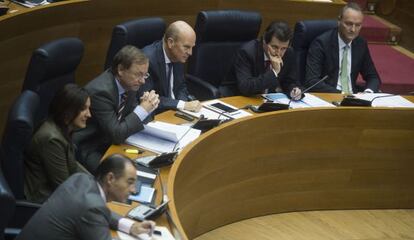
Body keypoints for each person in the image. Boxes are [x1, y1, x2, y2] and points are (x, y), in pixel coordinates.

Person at [16, 154, 156, 240]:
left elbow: (99, 211)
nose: (133, 190)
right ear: (110, 178)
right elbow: (94, 210)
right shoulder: (92, 208)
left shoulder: (81, 179)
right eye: (129, 182)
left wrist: (131, 226)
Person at [73, 45, 160, 172]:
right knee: (122, 177)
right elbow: (116, 134)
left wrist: (147, 107)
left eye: (145, 75)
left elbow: (139, 120)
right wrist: (142, 110)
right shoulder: (100, 92)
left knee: (150, 164)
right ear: (120, 70)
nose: (142, 81)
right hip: (91, 147)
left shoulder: (129, 83)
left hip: (115, 141)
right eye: (138, 75)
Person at [24, 84, 91, 203]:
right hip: (44, 200)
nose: (89, 114)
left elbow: (71, 163)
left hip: (57, 192)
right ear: (68, 110)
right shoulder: (52, 139)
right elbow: (63, 187)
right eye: (83, 109)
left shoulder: (63, 128)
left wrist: (96, 182)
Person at [305, 2, 381, 94]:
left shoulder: (360, 44)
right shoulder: (321, 43)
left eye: (358, 25)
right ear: (339, 21)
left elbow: (373, 77)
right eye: (349, 24)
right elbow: (312, 81)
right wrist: (342, 94)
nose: (353, 29)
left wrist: (368, 93)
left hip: (353, 98)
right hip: (329, 97)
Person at [230, 21, 302, 100]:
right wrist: (274, 72)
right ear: (264, 41)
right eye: (274, 47)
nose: (278, 53)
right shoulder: (247, 52)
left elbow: (289, 81)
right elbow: (246, 87)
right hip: (238, 98)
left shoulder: (289, 53)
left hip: (265, 101)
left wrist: (293, 90)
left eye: (283, 48)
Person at [143, 20, 202, 112]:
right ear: (171, 43)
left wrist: (186, 106)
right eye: (186, 47)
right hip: (156, 115)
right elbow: (149, 100)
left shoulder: (177, 56)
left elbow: (180, 87)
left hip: (174, 112)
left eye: (192, 47)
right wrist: (182, 104)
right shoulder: (147, 60)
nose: (190, 53)